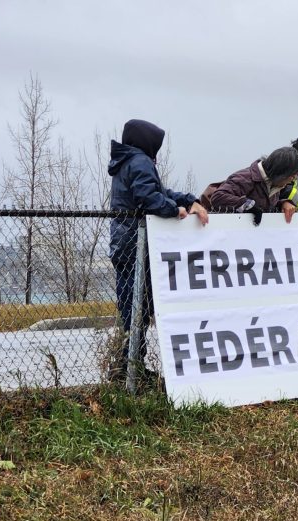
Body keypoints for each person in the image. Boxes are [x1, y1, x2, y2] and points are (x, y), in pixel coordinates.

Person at [108, 118, 209, 382]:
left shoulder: (129, 161)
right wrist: (174, 210)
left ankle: (130, 367)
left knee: (135, 307)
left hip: (125, 243)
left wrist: (190, 200)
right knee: (136, 308)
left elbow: (160, 191)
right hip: (134, 245)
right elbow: (149, 197)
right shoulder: (139, 161)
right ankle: (127, 370)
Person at [200, 146, 298, 225]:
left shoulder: (275, 185)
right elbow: (218, 197)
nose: (293, 179)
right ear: (281, 173)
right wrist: (247, 205)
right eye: (292, 176)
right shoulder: (246, 178)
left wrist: (283, 204)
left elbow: (263, 206)